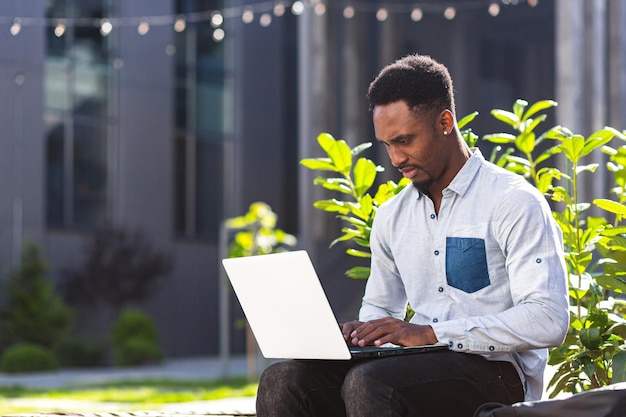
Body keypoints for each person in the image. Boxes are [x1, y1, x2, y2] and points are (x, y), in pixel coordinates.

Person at [255, 54, 569, 417]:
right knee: (284, 379)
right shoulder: (392, 216)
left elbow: (548, 319)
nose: (396, 158)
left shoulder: (512, 201)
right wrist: (363, 332)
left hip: (497, 372)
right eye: (387, 144)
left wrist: (430, 334)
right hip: (413, 368)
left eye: (405, 140)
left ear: (445, 121)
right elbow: (380, 307)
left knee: (371, 383)